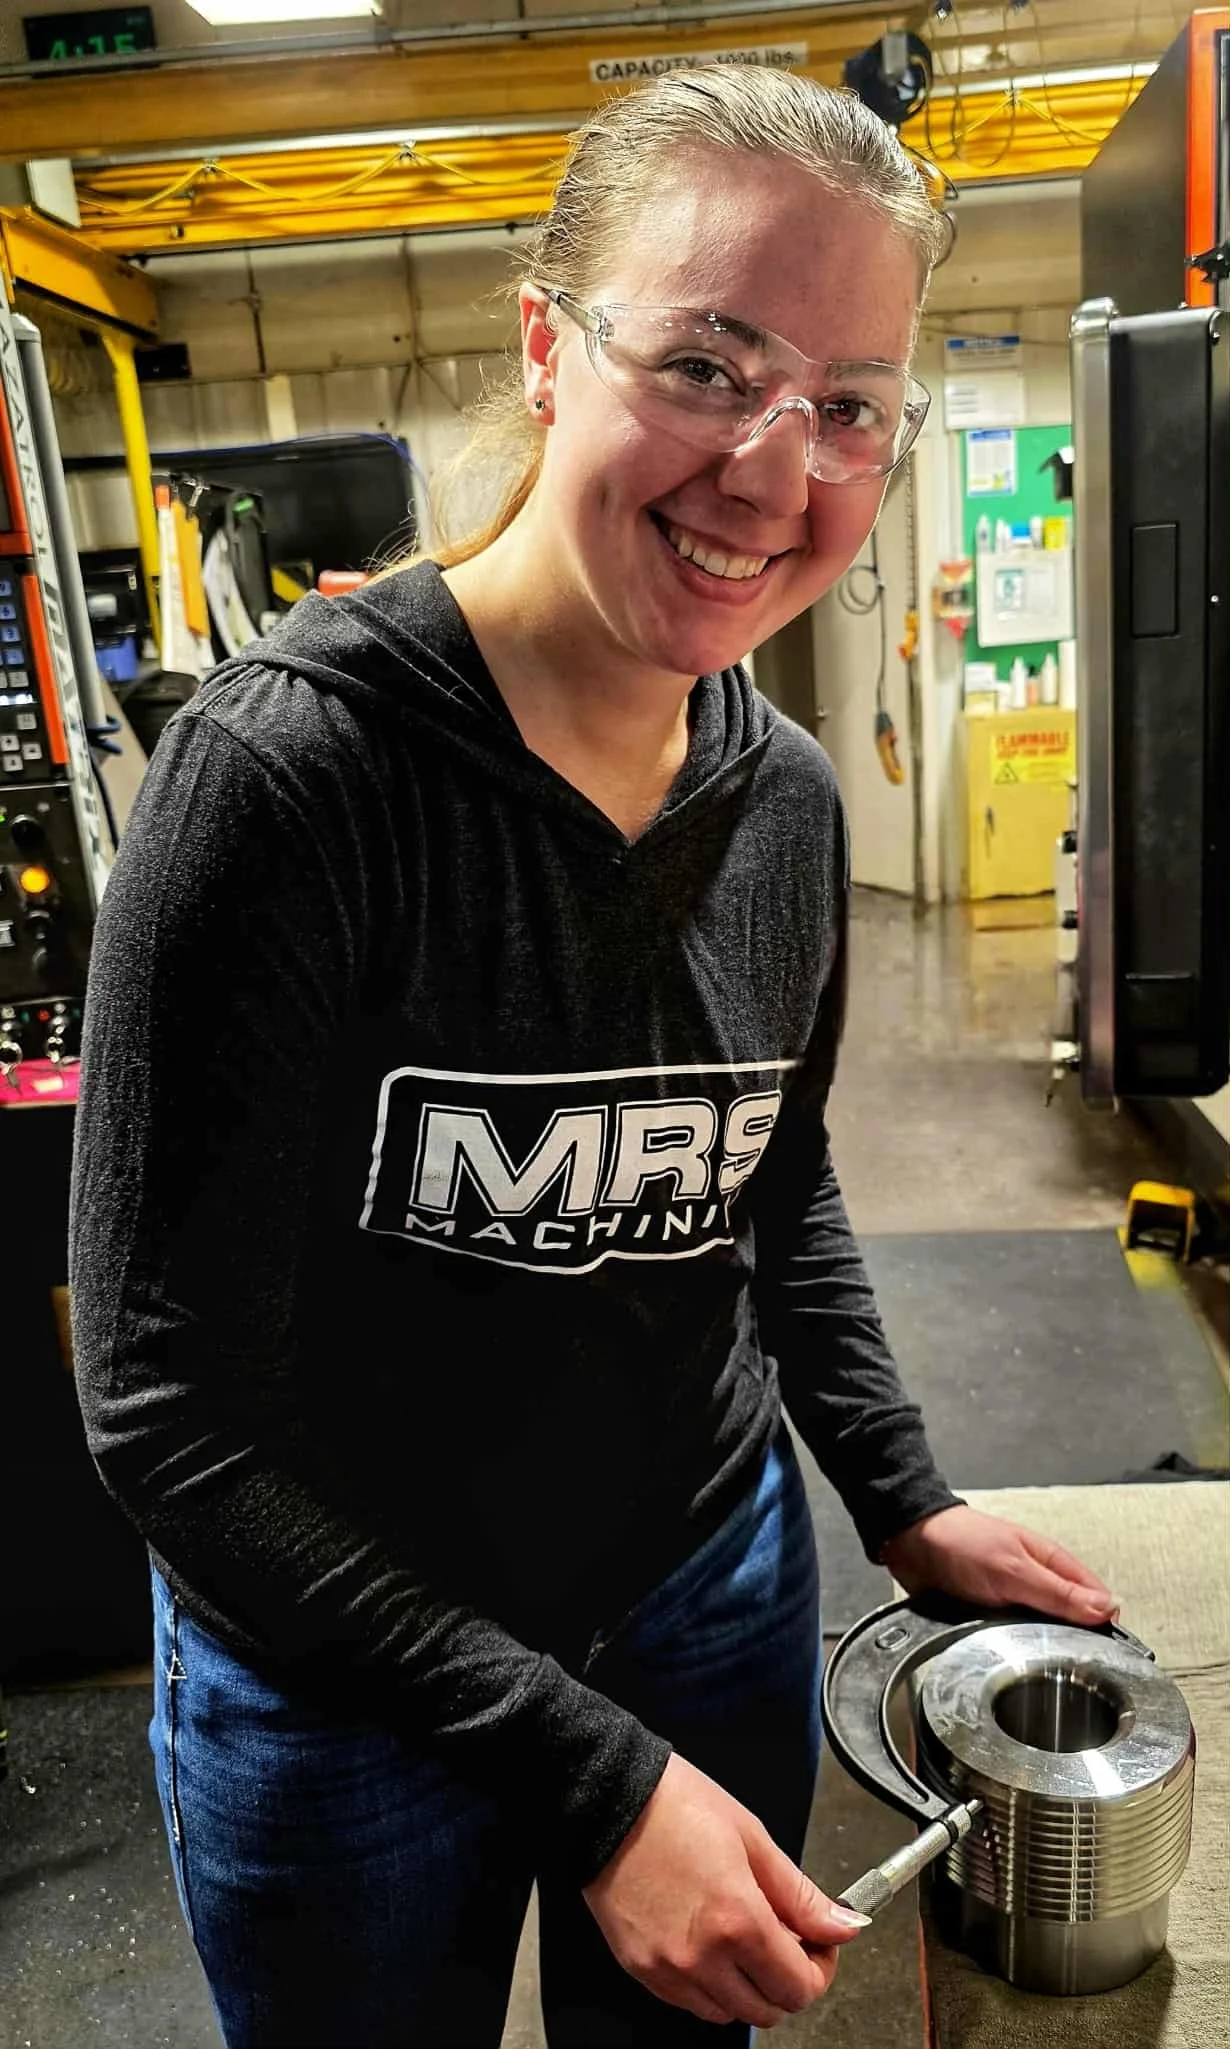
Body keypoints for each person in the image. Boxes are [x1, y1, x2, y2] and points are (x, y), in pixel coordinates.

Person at [69, 66, 1118, 2049]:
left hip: (700, 1593)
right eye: (711, 363)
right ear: (551, 347)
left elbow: (767, 1169)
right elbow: (162, 1411)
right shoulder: (290, 788)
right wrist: (594, 1772)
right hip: (341, 1676)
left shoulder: (785, 806)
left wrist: (893, 1488)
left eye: (849, 405)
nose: (771, 465)